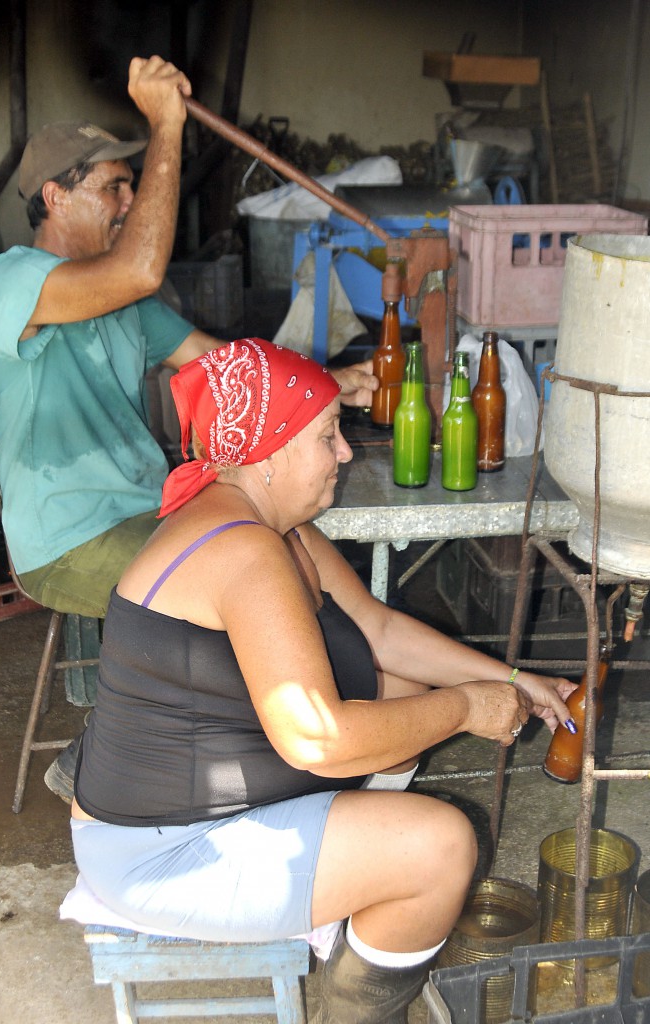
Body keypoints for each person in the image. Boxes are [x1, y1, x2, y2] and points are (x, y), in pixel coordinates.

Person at [69, 338, 577, 1024]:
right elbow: (317, 739)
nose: (345, 452)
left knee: (394, 686)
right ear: (269, 455)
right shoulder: (243, 551)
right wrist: (462, 709)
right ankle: (360, 1005)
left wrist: (516, 678)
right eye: (327, 435)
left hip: (197, 800)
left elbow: (381, 632)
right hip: (165, 851)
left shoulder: (271, 526)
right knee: (443, 844)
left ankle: (360, 885)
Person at [0, 56, 376, 800]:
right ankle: (115, 756)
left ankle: (346, 703)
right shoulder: (11, 280)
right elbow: (137, 269)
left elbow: (231, 369)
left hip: (148, 513)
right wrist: (166, 124)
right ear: (57, 197)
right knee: (251, 578)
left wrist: (325, 387)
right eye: (113, 187)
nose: (130, 200)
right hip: (69, 539)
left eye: (132, 184)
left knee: (295, 547)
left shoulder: (128, 306)